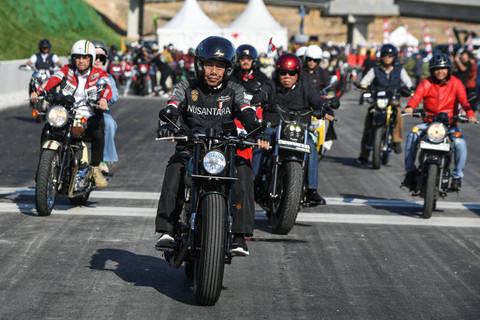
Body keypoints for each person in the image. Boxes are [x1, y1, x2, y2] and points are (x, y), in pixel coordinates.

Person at [154, 36, 269, 256]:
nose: (214, 71)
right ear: (200, 65)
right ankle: (167, 230)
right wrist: (167, 122)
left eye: (220, 66)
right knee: (175, 167)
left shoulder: (235, 90)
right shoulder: (186, 86)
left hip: (224, 150)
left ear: (228, 69)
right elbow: (172, 106)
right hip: (191, 147)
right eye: (209, 65)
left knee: (244, 169)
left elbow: (246, 110)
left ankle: (238, 237)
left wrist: (256, 127)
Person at [251, 53, 335, 206]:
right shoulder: (271, 84)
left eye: (291, 73)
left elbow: (317, 101)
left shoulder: (306, 86)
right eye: (283, 72)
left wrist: (325, 109)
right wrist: (257, 99)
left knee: (311, 145)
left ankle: (311, 190)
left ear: (298, 74)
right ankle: (253, 182)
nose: (287, 76)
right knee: (261, 143)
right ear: (278, 73)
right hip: (273, 127)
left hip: (299, 129)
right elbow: (262, 93)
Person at [30, 40, 112, 187]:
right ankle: (43, 166)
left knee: (99, 130)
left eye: (85, 58)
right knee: (47, 129)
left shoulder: (100, 73)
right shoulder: (67, 69)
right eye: (77, 57)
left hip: (88, 116)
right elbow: (53, 79)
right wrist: (39, 91)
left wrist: (104, 99)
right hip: (66, 114)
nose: (81, 61)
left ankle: (94, 169)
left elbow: (106, 87)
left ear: (91, 58)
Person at [403, 53, 477, 191]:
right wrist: (410, 107)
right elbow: (416, 97)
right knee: (412, 135)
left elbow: (464, 101)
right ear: (432, 70)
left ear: (449, 69)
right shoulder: (426, 83)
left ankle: (457, 176)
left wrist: (470, 114)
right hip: (429, 124)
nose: (440, 71)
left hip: (449, 125)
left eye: (443, 68)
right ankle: (410, 172)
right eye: (437, 68)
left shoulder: (456, 83)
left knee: (460, 143)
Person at [356, 44, 413, 164]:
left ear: (394, 57)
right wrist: (363, 87)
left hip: (393, 100)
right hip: (377, 101)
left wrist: (409, 89)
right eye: (385, 55)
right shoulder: (375, 70)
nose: (387, 57)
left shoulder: (400, 70)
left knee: (398, 114)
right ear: (381, 56)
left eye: (390, 55)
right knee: (368, 123)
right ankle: (364, 155)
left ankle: (397, 140)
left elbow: (408, 83)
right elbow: (365, 81)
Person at [91, 40, 119, 175]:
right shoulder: (78, 73)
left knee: (109, 123)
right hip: (77, 110)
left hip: (99, 112)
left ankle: (102, 160)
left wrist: (103, 99)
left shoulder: (107, 77)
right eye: (94, 57)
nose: (97, 61)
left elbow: (114, 96)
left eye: (101, 58)